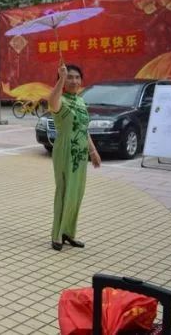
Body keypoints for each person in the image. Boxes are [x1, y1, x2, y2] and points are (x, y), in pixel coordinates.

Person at [48, 63, 101, 251]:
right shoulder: (60, 100)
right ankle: (56, 235)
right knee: (64, 191)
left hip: (80, 154)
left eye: (77, 77)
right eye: (69, 77)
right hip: (64, 151)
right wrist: (60, 79)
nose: (74, 81)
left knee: (76, 192)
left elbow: (83, 129)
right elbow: (51, 101)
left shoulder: (80, 101)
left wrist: (92, 151)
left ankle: (68, 232)